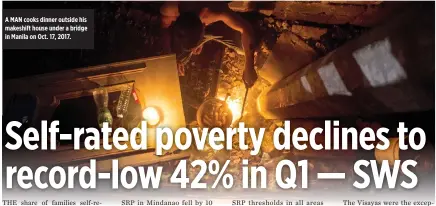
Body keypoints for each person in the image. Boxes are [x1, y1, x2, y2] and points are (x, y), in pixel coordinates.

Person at [160, 1, 258, 88]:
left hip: (214, 18)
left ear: (203, 27)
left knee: (245, 47)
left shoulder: (213, 10)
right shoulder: (171, 9)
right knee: (180, 59)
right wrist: (170, 59)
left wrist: (249, 66)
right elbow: (164, 28)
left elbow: (246, 29)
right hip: (197, 24)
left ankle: (247, 18)